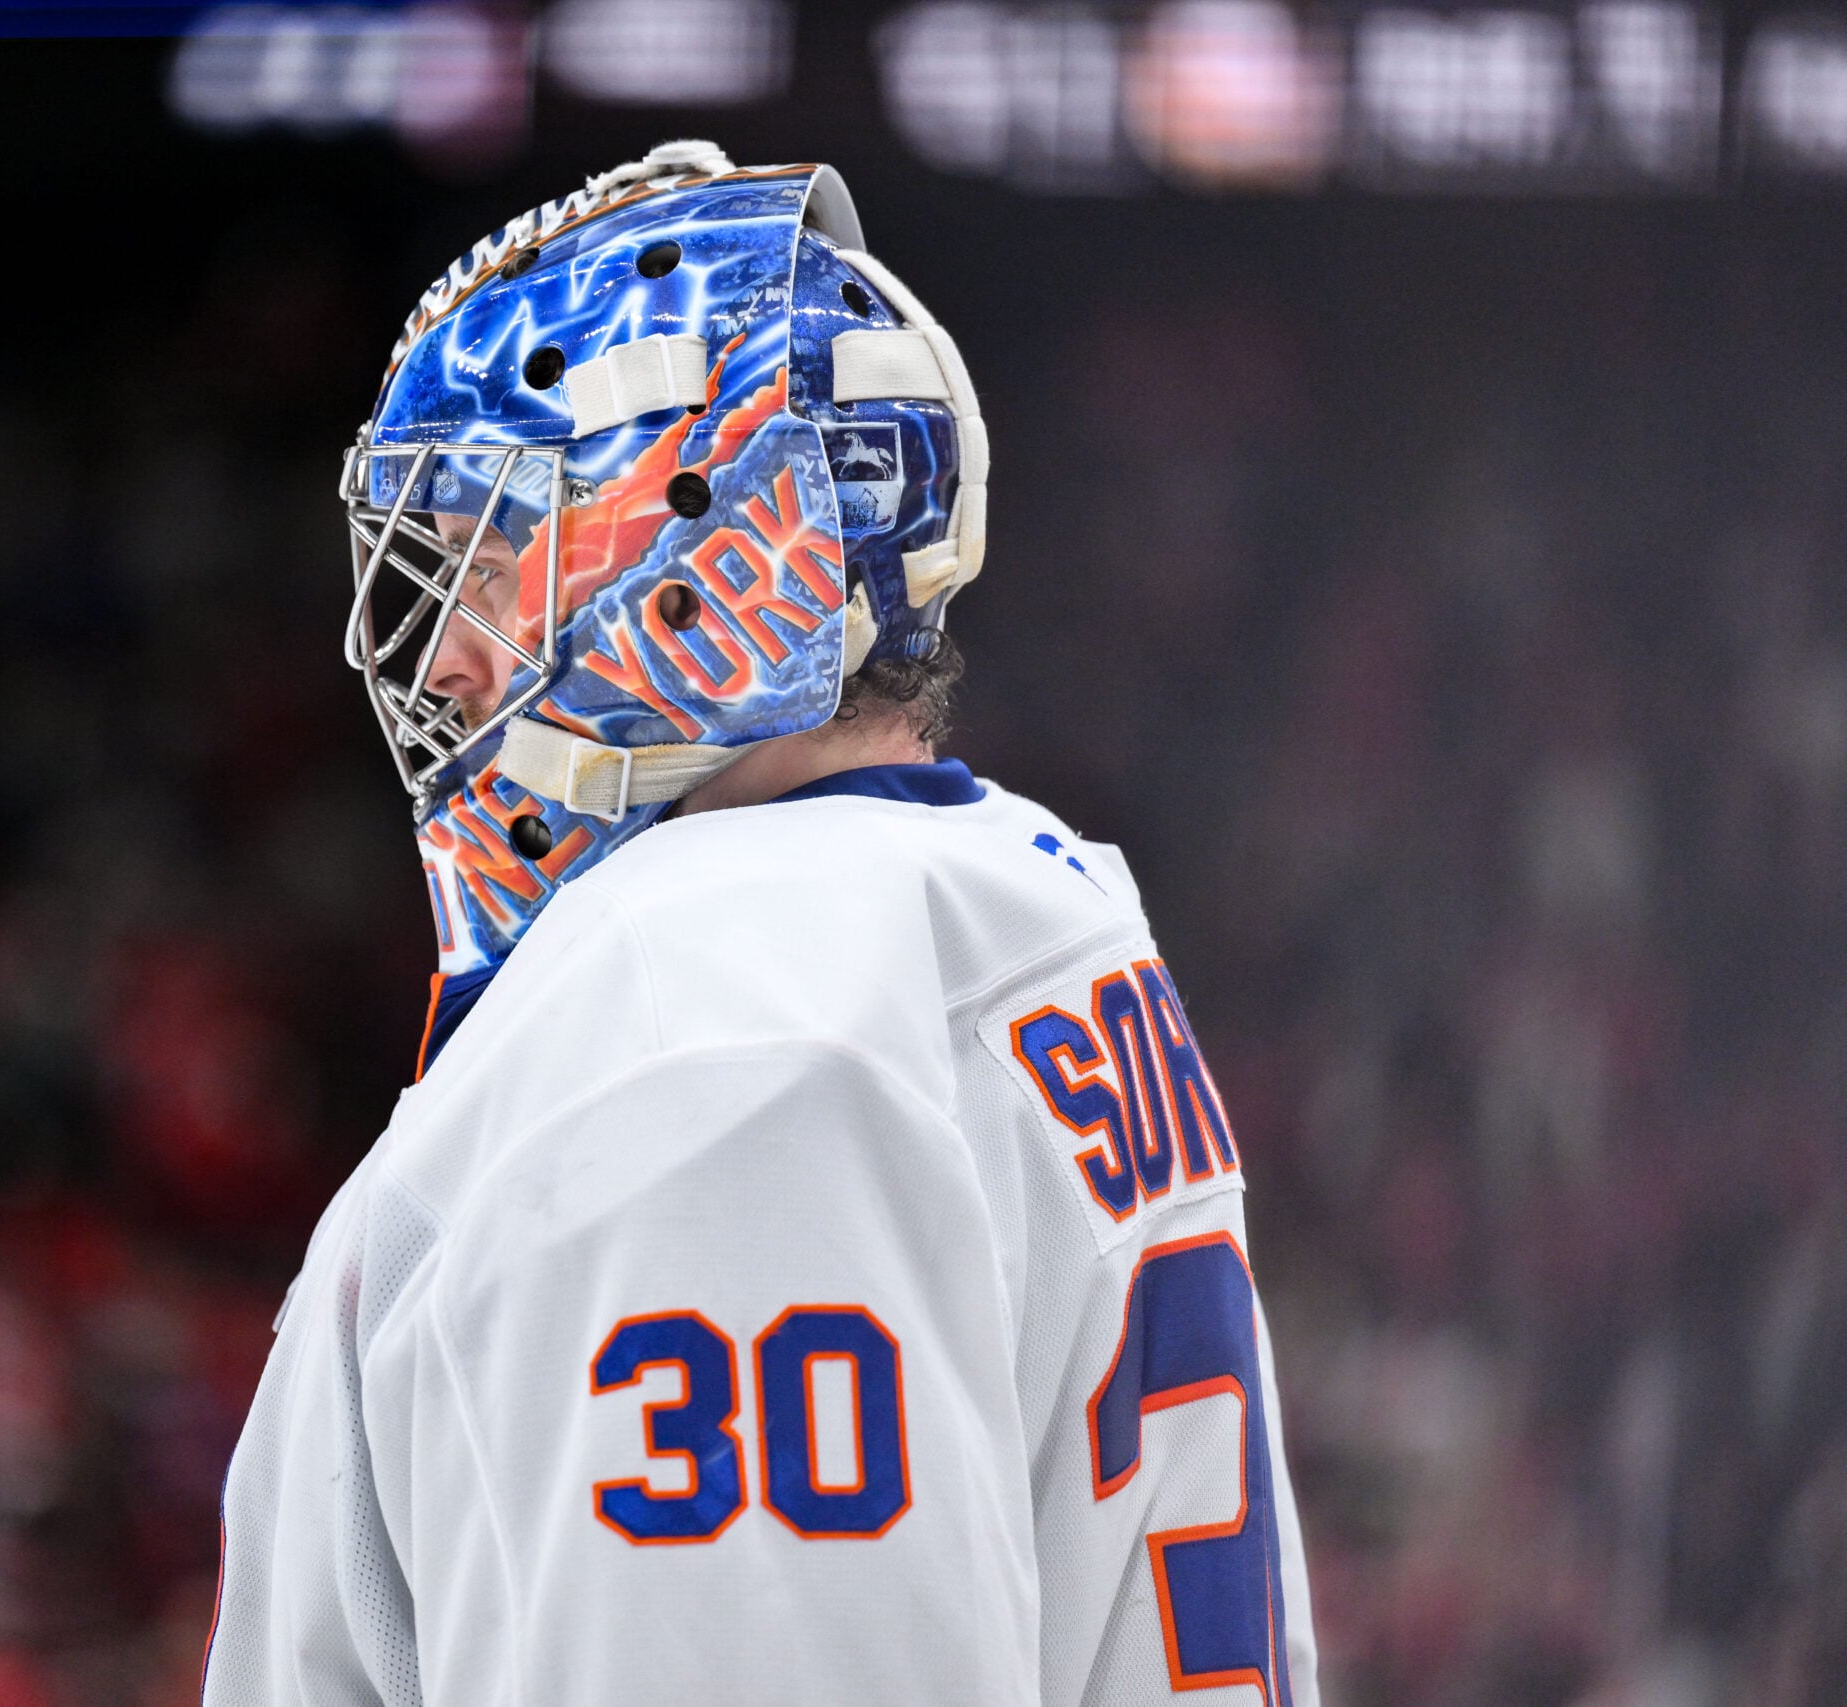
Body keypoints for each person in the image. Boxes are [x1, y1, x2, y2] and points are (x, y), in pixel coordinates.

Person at [202, 142, 1321, 1706]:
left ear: (714, 534)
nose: (445, 663)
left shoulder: (707, 1027)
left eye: (494, 556)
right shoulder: (1007, 899)